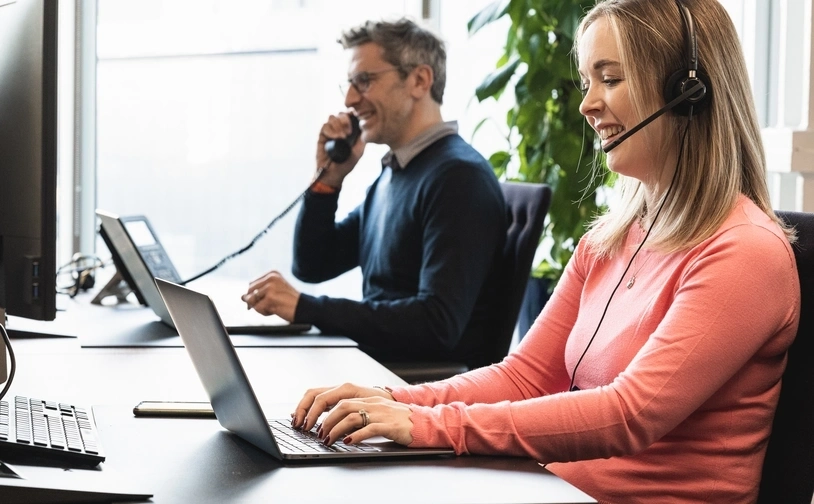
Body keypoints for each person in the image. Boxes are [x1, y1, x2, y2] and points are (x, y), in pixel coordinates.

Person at [288, 1, 802, 502]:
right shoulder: (610, 239)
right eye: (586, 82)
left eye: (611, 78)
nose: (587, 104)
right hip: (553, 486)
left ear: (687, 91)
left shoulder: (744, 252)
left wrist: (427, 423)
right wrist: (390, 401)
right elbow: (525, 376)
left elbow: (629, 415)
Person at [242, 18, 507, 368]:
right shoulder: (396, 174)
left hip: (418, 391)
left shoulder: (458, 178)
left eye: (365, 81)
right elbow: (313, 264)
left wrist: (306, 307)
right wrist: (327, 181)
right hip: (382, 368)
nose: (351, 100)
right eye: (350, 84)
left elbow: (436, 324)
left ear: (419, 80)